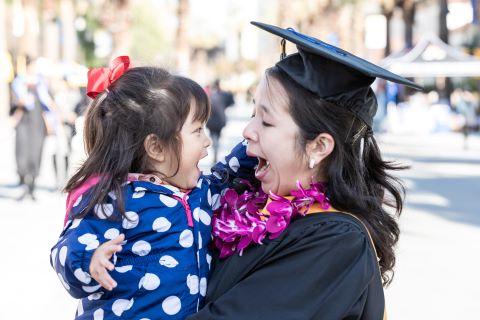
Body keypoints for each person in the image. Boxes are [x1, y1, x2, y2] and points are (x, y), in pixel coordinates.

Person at [188, 22, 422, 320]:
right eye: (252, 114)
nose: (247, 131)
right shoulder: (248, 206)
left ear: (318, 146)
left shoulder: (336, 242)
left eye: (267, 121)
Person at [50, 56, 256, 320]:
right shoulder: (116, 199)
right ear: (156, 147)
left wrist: (255, 140)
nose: (206, 141)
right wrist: (89, 259)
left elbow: (229, 173)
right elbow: (67, 247)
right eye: (197, 131)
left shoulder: (198, 193)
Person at [10, 56, 54, 200]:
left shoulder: (42, 84)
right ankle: (23, 181)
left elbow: (47, 105)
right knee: (22, 153)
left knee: (36, 153)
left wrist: (50, 121)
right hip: (24, 121)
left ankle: (31, 187)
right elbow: (15, 102)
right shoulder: (19, 82)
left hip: (37, 122)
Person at [206, 79, 235, 163]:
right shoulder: (222, 95)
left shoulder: (211, 95)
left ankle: (215, 153)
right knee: (216, 138)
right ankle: (215, 152)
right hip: (218, 121)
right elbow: (230, 102)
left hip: (212, 121)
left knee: (214, 138)